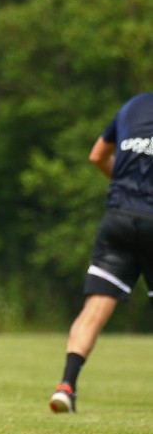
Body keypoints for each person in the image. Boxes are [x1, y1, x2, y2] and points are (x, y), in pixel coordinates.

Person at [49, 91, 153, 414]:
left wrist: (124, 185)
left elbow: (97, 156)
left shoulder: (133, 105)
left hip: (118, 218)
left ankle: (66, 385)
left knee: (95, 309)